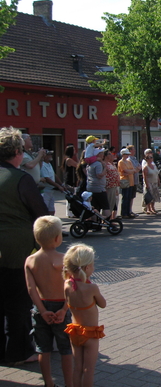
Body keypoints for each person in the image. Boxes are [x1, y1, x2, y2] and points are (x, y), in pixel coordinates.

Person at [0, 127, 48, 366]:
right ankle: (19, 352)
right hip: (15, 250)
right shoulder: (21, 179)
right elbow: (41, 214)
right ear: (17, 152)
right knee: (17, 302)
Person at [24, 216, 73, 387]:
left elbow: (31, 289)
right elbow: (72, 286)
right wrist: (64, 309)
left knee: (43, 349)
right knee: (65, 349)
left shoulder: (30, 261)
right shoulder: (65, 259)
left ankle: (48, 383)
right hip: (61, 306)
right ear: (58, 238)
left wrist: (42, 311)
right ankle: (69, 383)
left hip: (41, 307)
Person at [63, 243, 106, 387]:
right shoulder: (91, 288)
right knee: (89, 370)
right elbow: (103, 303)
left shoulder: (67, 285)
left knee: (78, 368)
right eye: (93, 265)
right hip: (90, 333)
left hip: (75, 330)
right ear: (87, 268)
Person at [86, 149, 111, 224]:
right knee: (105, 206)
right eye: (101, 153)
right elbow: (99, 175)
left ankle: (95, 223)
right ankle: (109, 222)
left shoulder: (90, 164)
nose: (103, 155)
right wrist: (105, 169)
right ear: (98, 154)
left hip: (91, 187)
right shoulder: (98, 164)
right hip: (99, 188)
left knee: (95, 206)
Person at [39, 151, 65, 215]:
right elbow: (47, 179)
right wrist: (58, 186)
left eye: (50, 155)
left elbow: (54, 175)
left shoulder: (49, 164)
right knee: (44, 210)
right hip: (46, 191)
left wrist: (61, 184)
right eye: (48, 155)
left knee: (52, 210)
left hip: (51, 191)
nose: (50, 156)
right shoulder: (43, 165)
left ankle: (51, 223)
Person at [118, 148, 136, 219]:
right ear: (122, 155)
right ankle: (124, 213)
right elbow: (125, 171)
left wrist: (130, 171)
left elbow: (133, 170)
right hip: (125, 181)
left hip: (131, 181)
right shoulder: (121, 162)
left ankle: (128, 212)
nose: (127, 155)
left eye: (127, 154)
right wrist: (130, 171)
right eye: (126, 154)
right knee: (125, 198)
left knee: (129, 198)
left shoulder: (129, 162)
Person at [142, 148, 161, 215]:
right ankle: (148, 209)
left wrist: (158, 181)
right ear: (146, 159)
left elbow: (157, 174)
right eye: (149, 158)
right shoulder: (145, 167)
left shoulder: (154, 166)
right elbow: (145, 176)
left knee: (154, 196)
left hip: (155, 182)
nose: (151, 159)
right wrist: (147, 184)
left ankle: (153, 208)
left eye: (151, 158)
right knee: (149, 196)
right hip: (149, 183)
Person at [104, 151, 120, 220]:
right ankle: (107, 219)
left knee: (112, 203)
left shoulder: (110, 164)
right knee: (109, 204)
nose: (112, 155)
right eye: (110, 154)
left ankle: (109, 218)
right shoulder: (104, 164)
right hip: (108, 186)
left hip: (114, 186)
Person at [127, 145, 142, 217]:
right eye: (133, 150)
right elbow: (134, 169)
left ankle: (130, 210)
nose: (135, 151)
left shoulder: (134, 159)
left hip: (135, 180)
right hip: (130, 180)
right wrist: (136, 169)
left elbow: (139, 167)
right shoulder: (129, 159)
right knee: (129, 196)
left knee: (132, 196)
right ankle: (128, 211)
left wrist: (137, 169)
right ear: (130, 151)